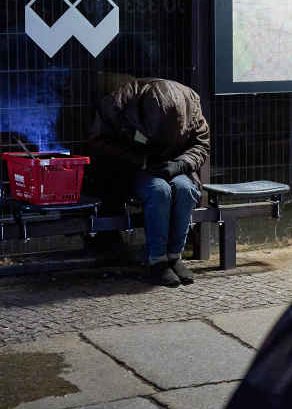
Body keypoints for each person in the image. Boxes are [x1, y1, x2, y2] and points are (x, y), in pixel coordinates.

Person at [87, 77, 210, 287]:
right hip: (133, 167)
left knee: (185, 189)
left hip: (174, 164)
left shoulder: (191, 102)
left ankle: (174, 256)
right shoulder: (118, 104)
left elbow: (201, 143)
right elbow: (99, 142)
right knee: (159, 191)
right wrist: (141, 161)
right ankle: (157, 260)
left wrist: (180, 164)